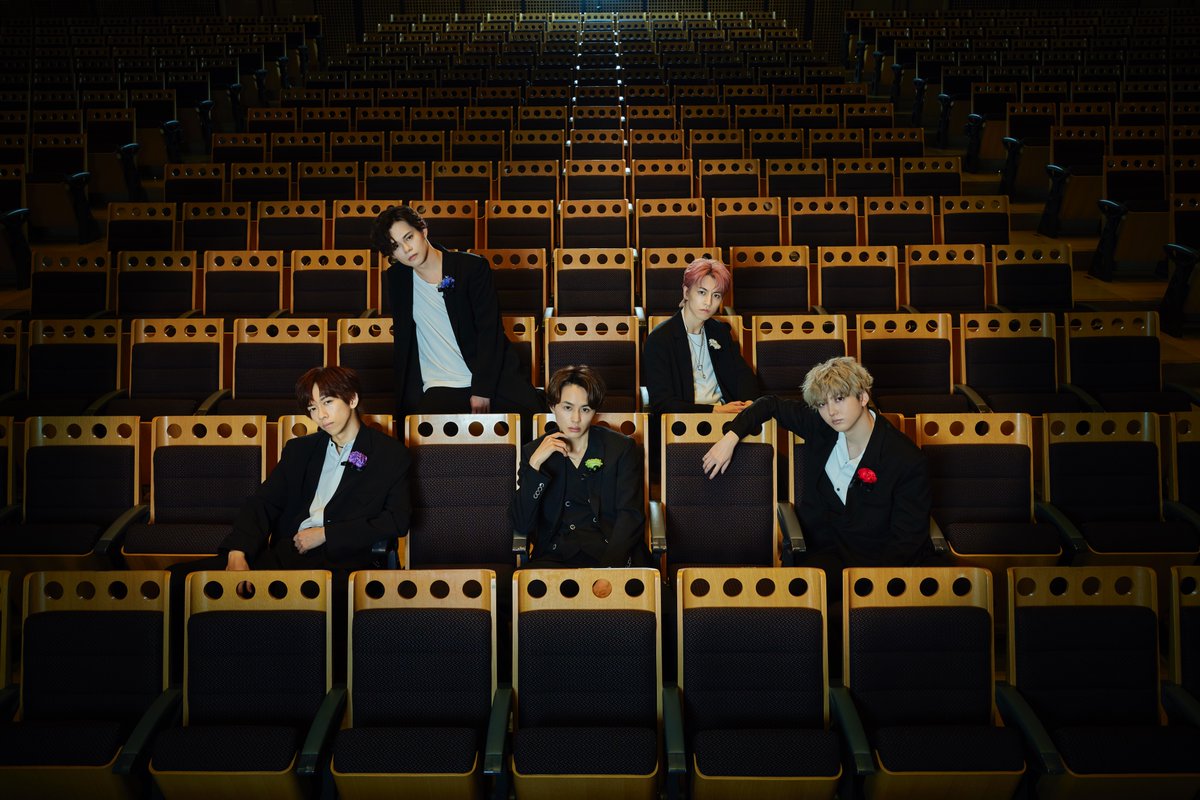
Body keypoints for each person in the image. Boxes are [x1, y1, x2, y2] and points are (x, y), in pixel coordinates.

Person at [701, 356, 931, 571]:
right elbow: (769, 404)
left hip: (873, 568)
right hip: (818, 560)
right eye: (822, 403)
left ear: (863, 397)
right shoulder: (820, 425)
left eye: (839, 399)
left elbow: (905, 543)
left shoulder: (907, 460)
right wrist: (731, 437)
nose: (831, 412)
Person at [221, 364, 412, 572]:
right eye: (312, 408)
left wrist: (326, 534)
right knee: (198, 576)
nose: (321, 415)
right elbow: (263, 502)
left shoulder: (390, 454)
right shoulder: (299, 450)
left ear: (352, 399)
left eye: (327, 402)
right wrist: (238, 551)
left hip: (347, 561)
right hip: (291, 554)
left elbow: (396, 520)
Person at [369, 204, 543, 420]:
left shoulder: (471, 268)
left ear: (423, 230)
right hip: (439, 383)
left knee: (534, 421)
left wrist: (482, 389)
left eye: (409, 237)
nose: (406, 249)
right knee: (423, 434)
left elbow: (490, 332)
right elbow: (405, 339)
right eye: (395, 246)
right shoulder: (397, 278)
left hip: (487, 376)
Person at [511, 365, 650, 568]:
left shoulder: (620, 448)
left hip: (611, 555)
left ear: (594, 411)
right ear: (552, 407)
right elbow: (522, 524)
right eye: (567, 408)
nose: (576, 419)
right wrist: (535, 465)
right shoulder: (533, 452)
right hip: (554, 557)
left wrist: (609, 570)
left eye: (585, 409)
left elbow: (631, 516)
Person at [643, 257, 759, 415]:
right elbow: (662, 404)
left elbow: (744, 376)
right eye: (702, 292)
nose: (708, 302)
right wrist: (715, 411)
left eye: (716, 295)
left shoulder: (720, 332)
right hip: (685, 422)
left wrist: (749, 403)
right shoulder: (659, 339)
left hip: (728, 418)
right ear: (686, 292)